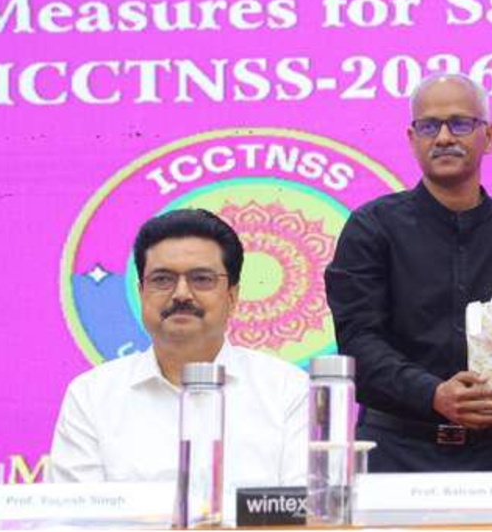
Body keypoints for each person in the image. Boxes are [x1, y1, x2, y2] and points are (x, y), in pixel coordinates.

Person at [324, 73, 492, 472]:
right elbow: (358, 343)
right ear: (412, 138)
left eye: (460, 123)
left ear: (490, 136)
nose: (444, 137)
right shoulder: (372, 227)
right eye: (429, 126)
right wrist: (433, 393)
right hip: (393, 451)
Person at [49, 208, 309, 485]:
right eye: (162, 280)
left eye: (201, 279)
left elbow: (310, 507)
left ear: (232, 296)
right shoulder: (92, 395)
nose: (181, 294)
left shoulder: (287, 390)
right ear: (141, 293)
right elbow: (78, 508)